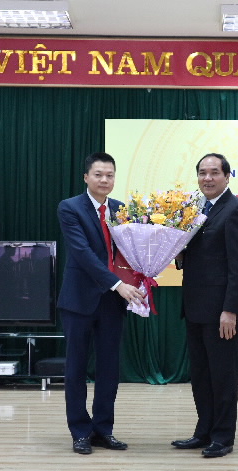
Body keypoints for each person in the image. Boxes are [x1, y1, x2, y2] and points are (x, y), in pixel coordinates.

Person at [57, 152, 146, 455]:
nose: (104, 180)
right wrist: (118, 284)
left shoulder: (122, 210)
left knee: (109, 369)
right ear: (86, 177)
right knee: (76, 368)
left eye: (109, 175)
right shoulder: (70, 208)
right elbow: (82, 253)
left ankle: (103, 430)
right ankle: (80, 432)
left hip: (112, 302)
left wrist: (142, 274)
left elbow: (131, 251)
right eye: (98, 174)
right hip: (79, 300)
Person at [172, 153, 238, 458]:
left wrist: (231, 310)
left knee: (221, 376)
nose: (207, 178)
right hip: (195, 307)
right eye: (202, 173)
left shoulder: (236, 211)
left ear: (227, 177)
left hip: (221, 311)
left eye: (214, 173)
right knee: (201, 375)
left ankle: (222, 437)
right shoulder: (195, 210)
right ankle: (203, 431)